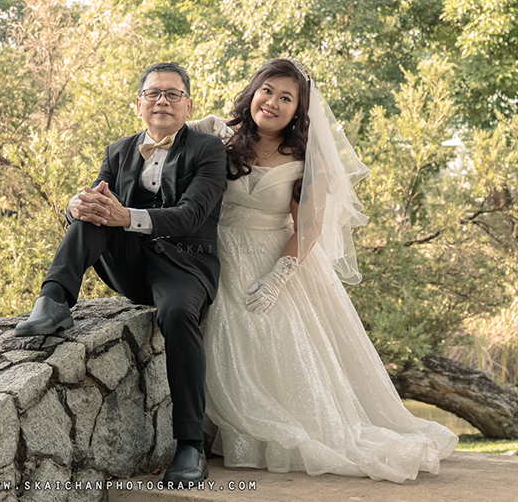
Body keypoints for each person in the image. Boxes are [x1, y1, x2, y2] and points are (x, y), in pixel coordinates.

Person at [192, 58, 458, 483]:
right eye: (267, 91)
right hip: (219, 253)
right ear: (253, 92)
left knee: (270, 338)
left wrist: (277, 277)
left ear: (299, 109)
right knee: (222, 334)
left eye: (286, 98)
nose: (273, 103)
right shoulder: (219, 136)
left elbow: (309, 227)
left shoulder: (303, 157)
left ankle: (282, 430)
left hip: (276, 255)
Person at [14, 62, 226, 483]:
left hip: (185, 265)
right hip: (131, 266)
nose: (162, 100)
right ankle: (54, 300)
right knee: (92, 207)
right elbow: (97, 203)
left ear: (188, 105)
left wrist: (125, 215)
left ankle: (190, 446)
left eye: (172, 94)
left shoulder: (207, 150)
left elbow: (191, 216)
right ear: (139, 104)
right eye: (153, 93)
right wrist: (74, 207)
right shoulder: (118, 150)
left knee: (179, 316)